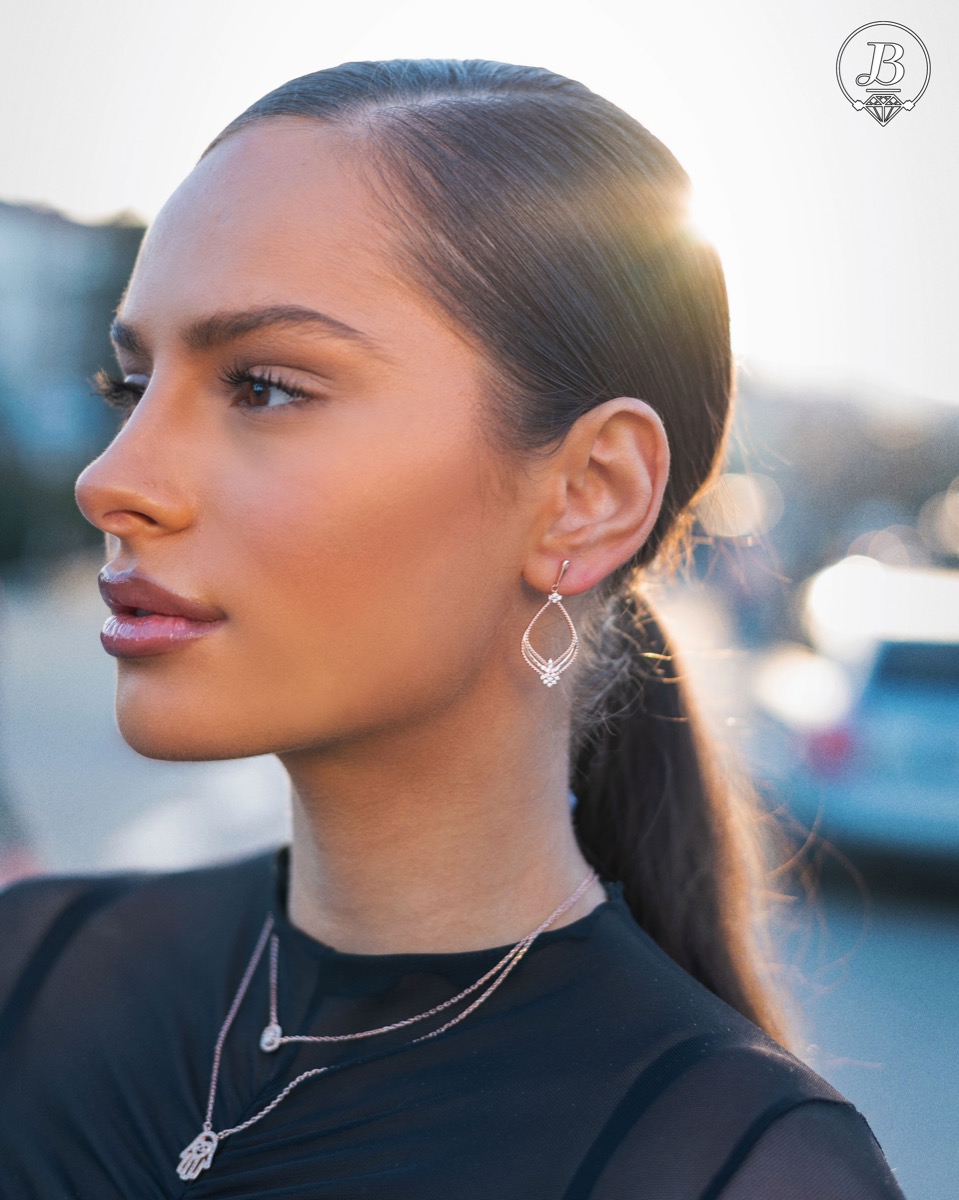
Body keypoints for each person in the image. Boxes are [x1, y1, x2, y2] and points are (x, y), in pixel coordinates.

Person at [0, 59, 906, 1198]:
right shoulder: (30, 970)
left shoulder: (731, 1170)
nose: (110, 479)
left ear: (585, 494)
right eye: (129, 387)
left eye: (264, 386)